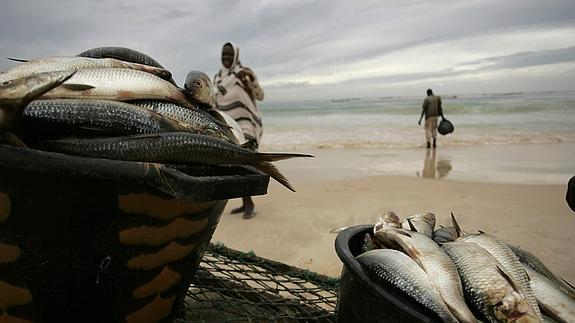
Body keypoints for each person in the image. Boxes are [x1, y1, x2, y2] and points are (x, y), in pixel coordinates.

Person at [214, 42, 264, 219]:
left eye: (230, 55)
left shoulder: (245, 73)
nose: (226, 58)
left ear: (235, 55)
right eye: (224, 55)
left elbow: (260, 96)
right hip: (228, 126)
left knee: (245, 162)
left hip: (246, 125)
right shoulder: (217, 78)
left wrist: (250, 82)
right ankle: (245, 203)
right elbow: (214, 102)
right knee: (235, 164)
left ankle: (250, 203)